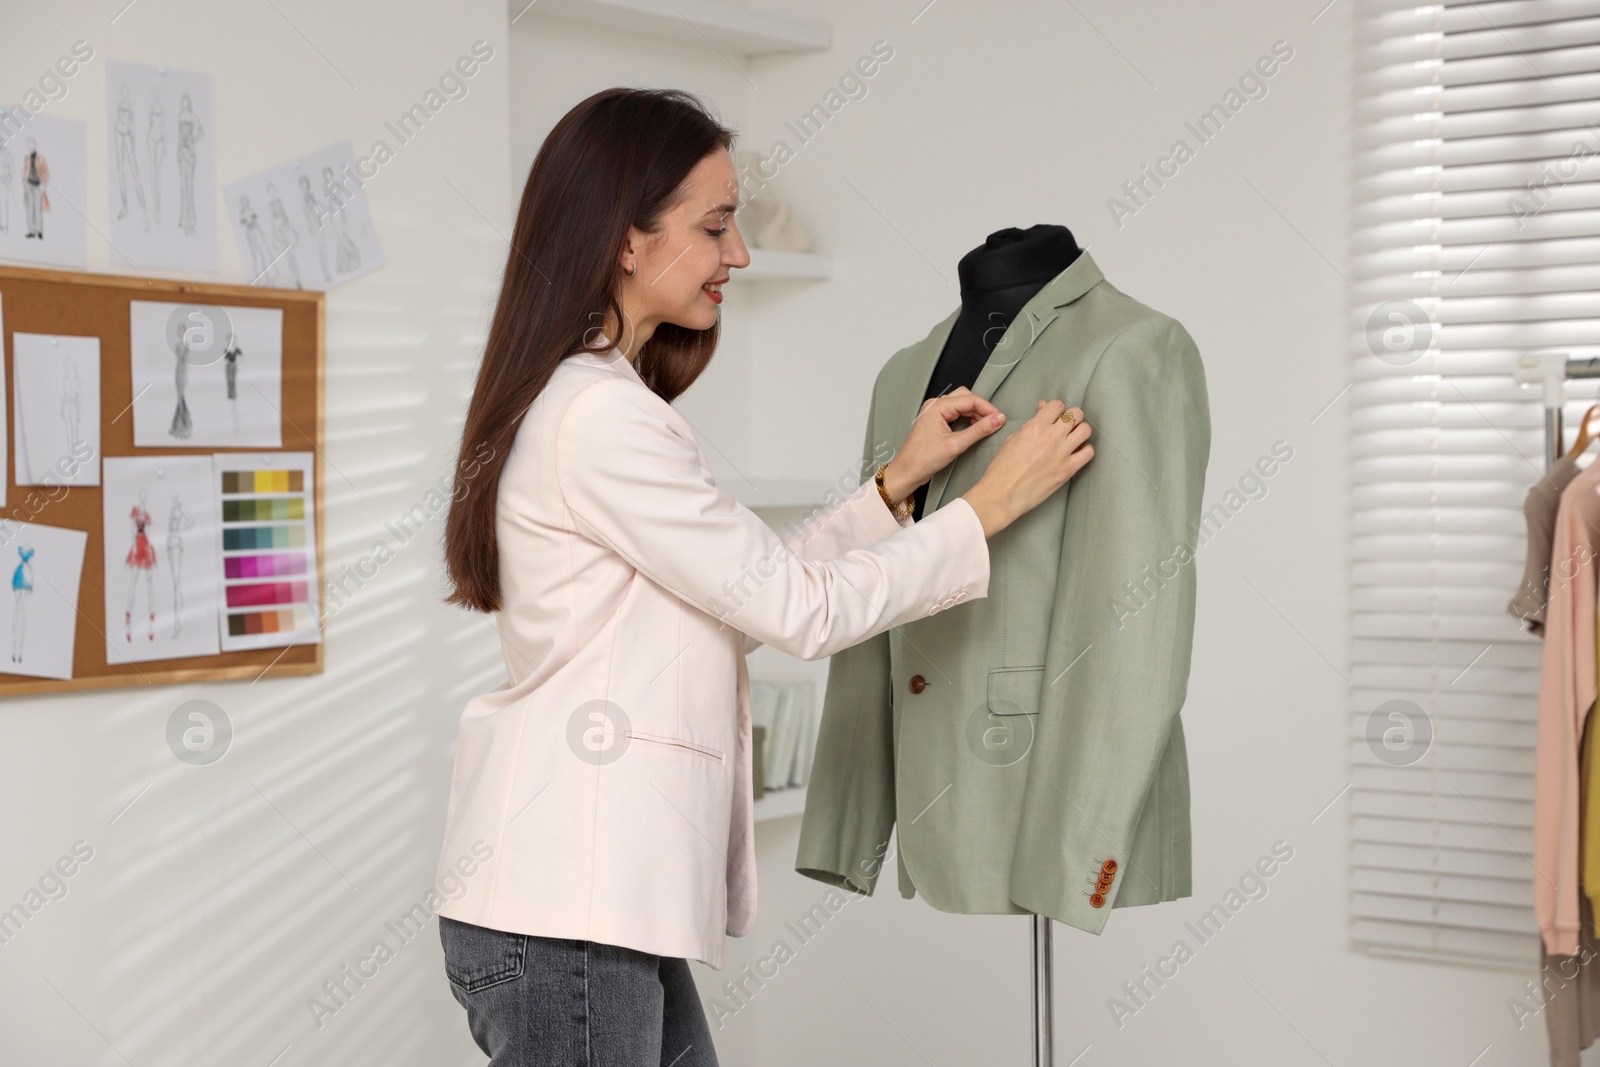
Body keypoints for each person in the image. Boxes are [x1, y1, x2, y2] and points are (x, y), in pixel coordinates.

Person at [435, 86, 1094, 1067]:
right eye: (714, 225)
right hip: (569, 910)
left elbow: (746, 590)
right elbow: (798, 610)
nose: (737, 253)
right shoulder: (600, 417)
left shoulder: (600, 401)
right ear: (624, 238)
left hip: (592, 906)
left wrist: (894, 485)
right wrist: (987, 509)